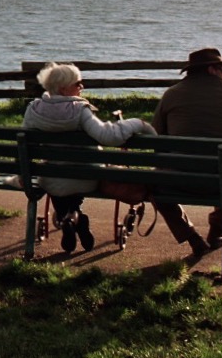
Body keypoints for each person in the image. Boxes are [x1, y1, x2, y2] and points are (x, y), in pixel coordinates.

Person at [23, 62, 156, 252]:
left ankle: (68, 217)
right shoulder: (79, 110)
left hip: (51, 176)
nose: (82, 87)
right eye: (78, 83)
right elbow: (108, 136)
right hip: (85, 177)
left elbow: (27, 145)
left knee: (56, 180)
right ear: (63, 87)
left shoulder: (34, 109)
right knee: (76, 178)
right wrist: (137, 123)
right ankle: (74, 215)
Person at [151, 47, 222, 255]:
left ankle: (191, 237)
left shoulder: (172, 94)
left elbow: (157, 139)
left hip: (182, 180)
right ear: (211, 69)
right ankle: (216, 232)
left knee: (155, 188)